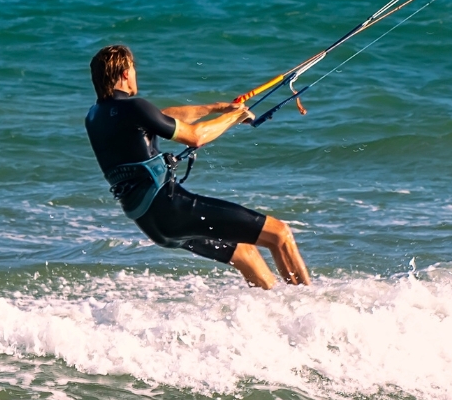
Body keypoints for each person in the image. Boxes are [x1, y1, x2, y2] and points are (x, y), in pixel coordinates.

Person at [84, 44, 311, 288]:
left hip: (152, 223)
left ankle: (276, 308)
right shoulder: (134, 107)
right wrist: (232, 117)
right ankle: (307, 303)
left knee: (245, 253)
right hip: (172, 208)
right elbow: (195, 137)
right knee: (279, 234)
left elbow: (164, 116)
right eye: (133, 68)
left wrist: (216, 109)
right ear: (125, 73)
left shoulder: (95, 117)